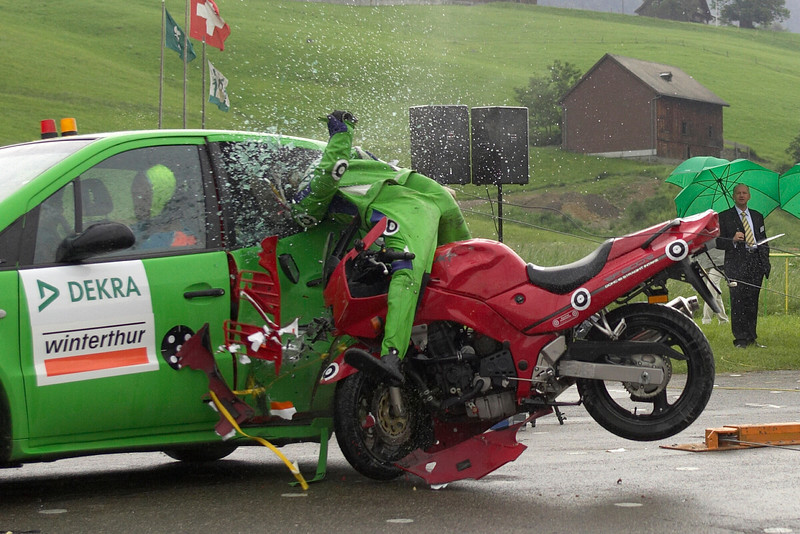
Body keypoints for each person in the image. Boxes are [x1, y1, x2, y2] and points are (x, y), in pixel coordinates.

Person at [291, 110, 471, 384]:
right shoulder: (358, 159)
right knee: (464, 278)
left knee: (407, 275)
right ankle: (479, 351)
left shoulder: (305, 196)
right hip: (432, 192)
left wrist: (341, 132)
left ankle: (392, 356)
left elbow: (328, 175)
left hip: (407, 209)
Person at [717, 184, 771, 348]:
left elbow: (763, 239)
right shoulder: (724, 216)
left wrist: (764, 262)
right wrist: (732, 240)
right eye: (738, 193)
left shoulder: (757, 216)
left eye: (744, 193)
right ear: (734, 196)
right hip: (736, 264)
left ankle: (751, 338)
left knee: (752, 301)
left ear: (749, 196)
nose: (741, 195)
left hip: (756, 263)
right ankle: (740, 339)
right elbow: (717, 241)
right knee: (738, 301)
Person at [131, 164, 197, 249]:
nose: (136, 202)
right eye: (134, 194)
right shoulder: (145, 226)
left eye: (142, 196)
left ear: (160, 196)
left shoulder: (177, 241)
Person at [697, 242, 729, 325]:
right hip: (705, 261)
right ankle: (723, 320)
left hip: (719, 262)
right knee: (715, 292)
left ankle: (706, 320)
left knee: (710, 289)